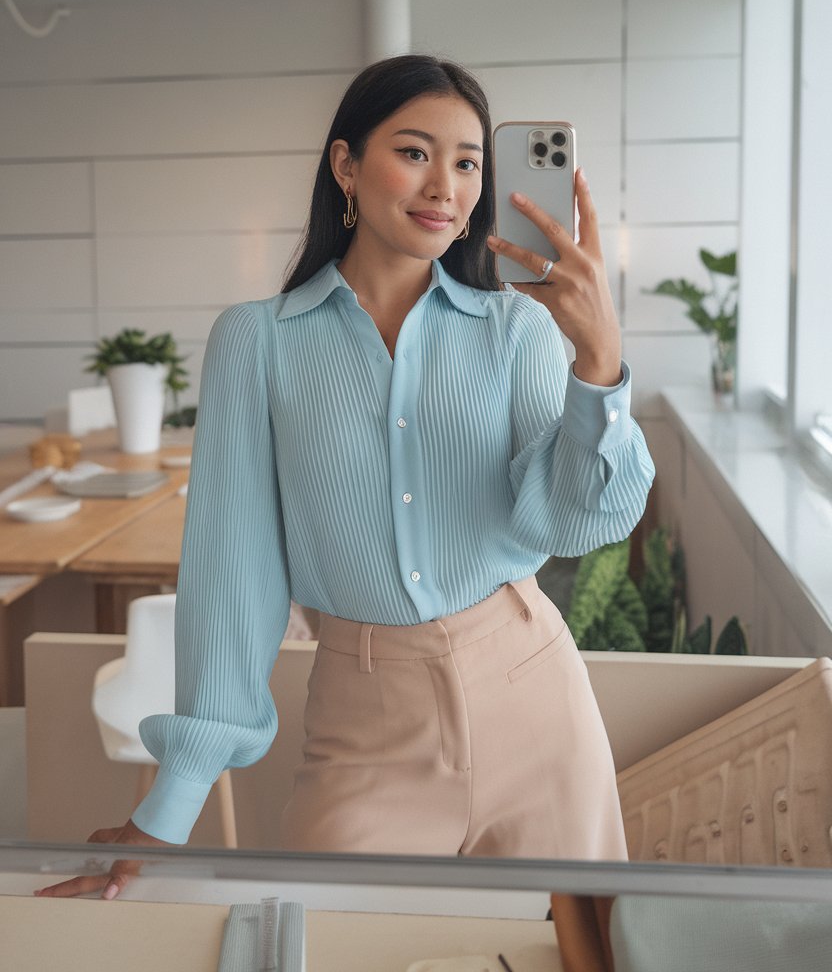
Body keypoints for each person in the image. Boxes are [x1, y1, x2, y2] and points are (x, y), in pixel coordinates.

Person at [38, 54, 654, 900]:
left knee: (579, 949)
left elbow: (577, 521)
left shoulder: (519, 331)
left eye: (468, 162)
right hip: (365, 723)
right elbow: (234, 577)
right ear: (346, 166)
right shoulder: (258, 343)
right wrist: (167, 810)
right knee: (322, 943)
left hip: (536, 698)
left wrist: (600, 361)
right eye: (414, 152)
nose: (445, 186)